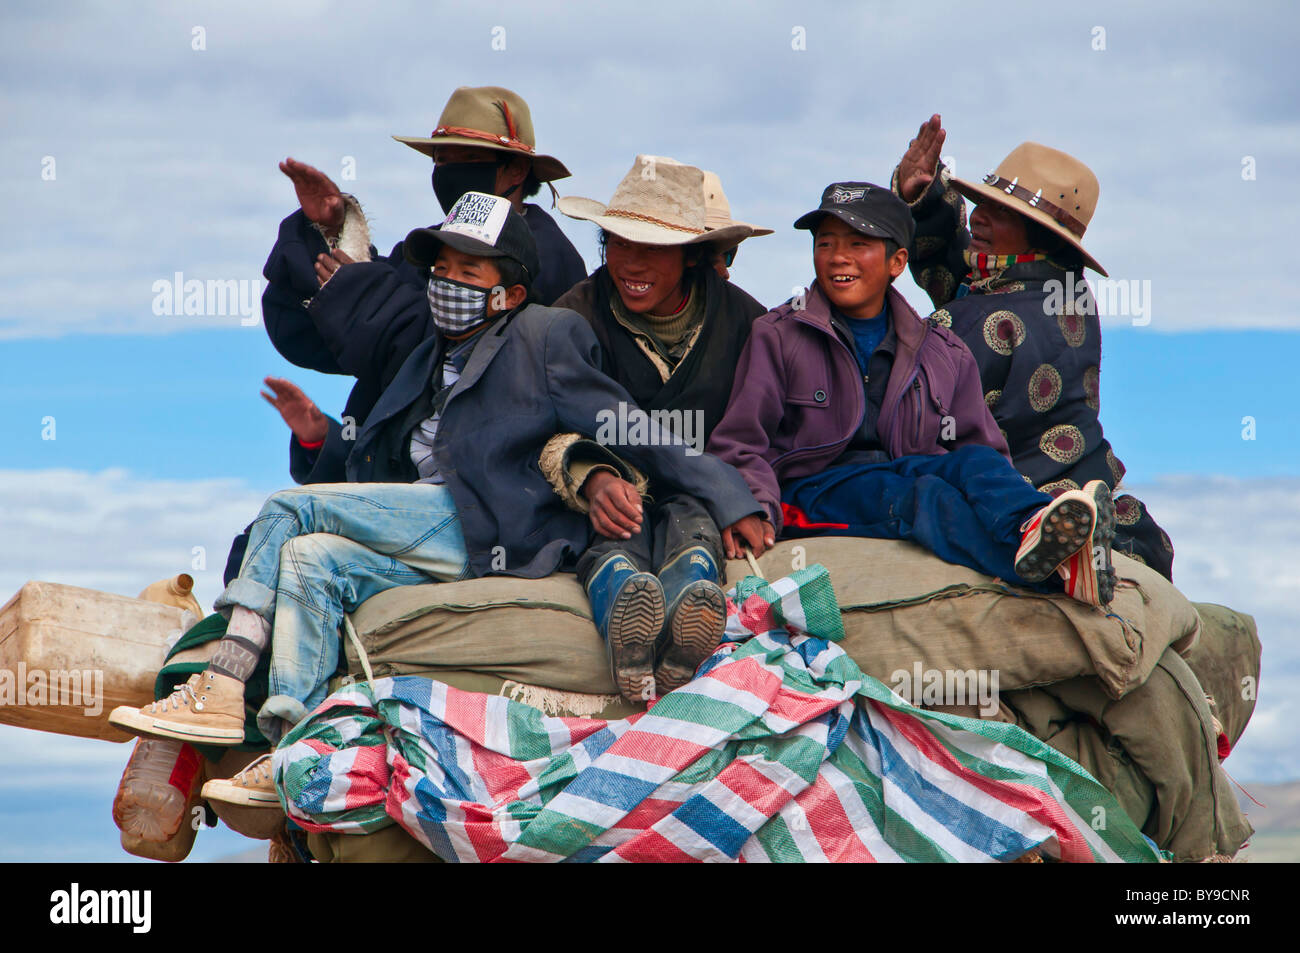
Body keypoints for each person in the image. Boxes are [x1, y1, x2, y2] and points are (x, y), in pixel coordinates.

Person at [109, 193, 761, 806]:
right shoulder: (427, 352)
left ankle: (223, 683)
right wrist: (321, 439)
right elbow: (378, 463)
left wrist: (732, 498)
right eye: (442, 266)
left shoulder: (545, 336)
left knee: (288, 510)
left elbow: (633, 430)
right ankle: (295, 744)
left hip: (496, 526)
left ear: (510, 292)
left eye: (467, 269)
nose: (447, 280)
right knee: (312, 558)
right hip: (425, 528)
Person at [708, 181, 1118, 607]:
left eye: (858, 243)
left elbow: (985, 452)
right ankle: (1054, 576)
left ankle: (1030, 526)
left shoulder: (943, 350)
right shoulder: (778, 335)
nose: (837, 257)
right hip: (810, 492)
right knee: (926, 497)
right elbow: (740, 443)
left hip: (903, 474)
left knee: (973, 462)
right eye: (825, 243)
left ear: (897, 261)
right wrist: (754, 505)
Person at [893, 115, 1173, 579]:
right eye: (980, 204)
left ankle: (1060, 550)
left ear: (1037, 235)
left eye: (999, 212)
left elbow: (912, 427)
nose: (978, 216)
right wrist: (921, 200)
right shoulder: (1065, 290)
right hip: (1089, 479)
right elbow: (963, 274)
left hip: (1021, 499)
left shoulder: (973, 322)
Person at [546, 156, 769, 696]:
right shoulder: (573, 316)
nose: (630, 262)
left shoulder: (746, 322)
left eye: (652, 247)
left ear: (693, 256)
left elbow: (761, 431)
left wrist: (746, 498)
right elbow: (546, 422)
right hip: (608, 492)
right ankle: (623, 607)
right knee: (614, 534)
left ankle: (691, 598)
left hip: (699, 497)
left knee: (694, 529)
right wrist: (594, 479)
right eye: (618, 243)